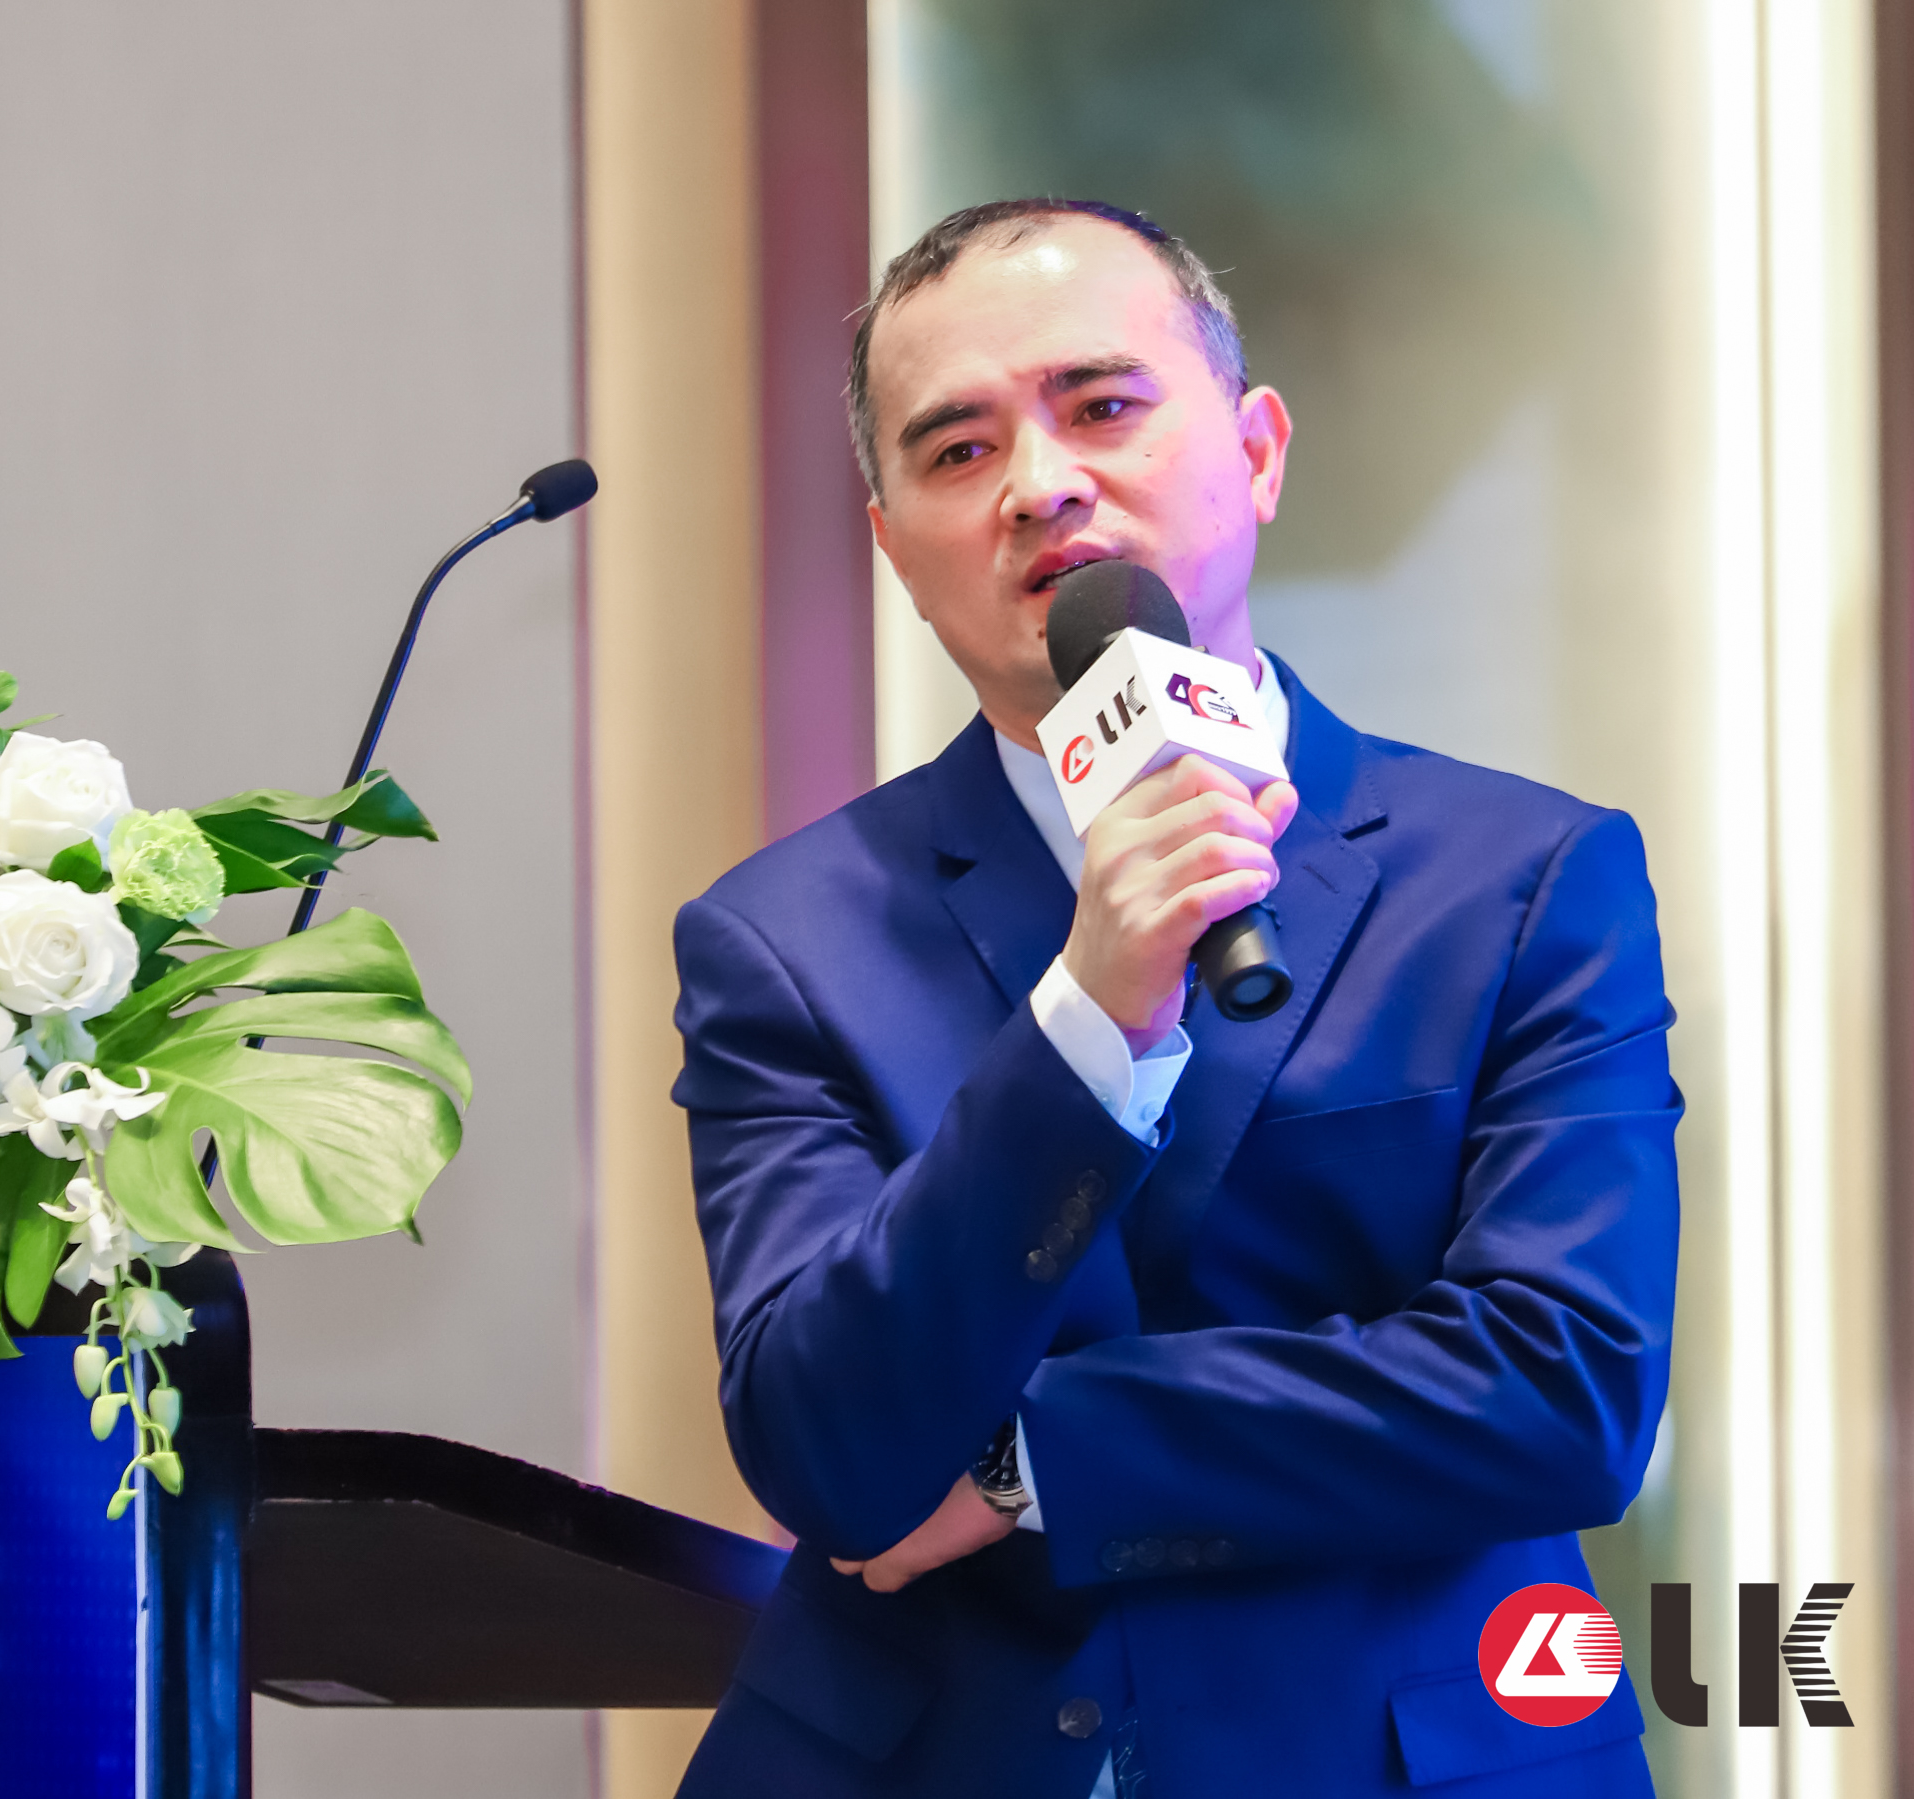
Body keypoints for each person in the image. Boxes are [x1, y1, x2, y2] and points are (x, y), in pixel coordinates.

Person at [670, 200, 1677, 1797]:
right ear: (895, 549)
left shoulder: (1528, 879)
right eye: (958, 451)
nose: (1040, 484)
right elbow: (828, 1451)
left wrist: (1030, 1461)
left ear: (1259, 452)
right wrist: (1086, 1018)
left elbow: (1563, 1390)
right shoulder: (783, 940)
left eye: (1102, 406)